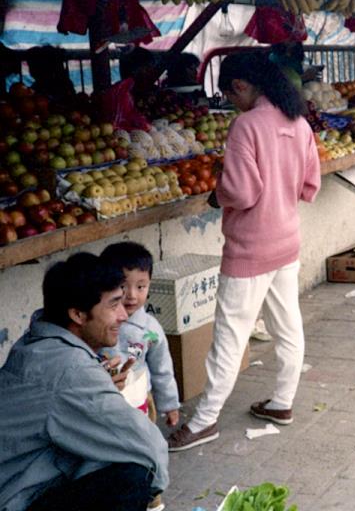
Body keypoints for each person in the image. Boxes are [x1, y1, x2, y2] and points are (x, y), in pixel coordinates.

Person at [167, 51, 321, 451]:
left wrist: (219, 197)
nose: (231, 103)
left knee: (229, 336)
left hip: (251, 245)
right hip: (287, 239)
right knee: (288, 327)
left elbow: (241, 191)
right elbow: (310, 184)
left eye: (230, 94)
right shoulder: (298, 122)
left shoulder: (246, 125)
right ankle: (282, 402)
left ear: (240, 86)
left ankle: (204, 421)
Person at [0, 252, 169, 511]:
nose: (124, 315)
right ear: (78, 315)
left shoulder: (35, 342)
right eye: (113, 305)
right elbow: (147, 445)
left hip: (20, 479)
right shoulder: (71, 370)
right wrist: (155, 496)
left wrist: (99, 383)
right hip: (17, 497)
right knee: (133, 474)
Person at [100, 241, 180, 511]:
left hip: (141, 404)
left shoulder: (151, 329)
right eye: (123, 286)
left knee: (146, 450)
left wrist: (170, 404)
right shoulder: (98, 322)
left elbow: (162, 368)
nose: (132, 295)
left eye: (141, 286)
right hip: (106, 403)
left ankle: (153, 499)